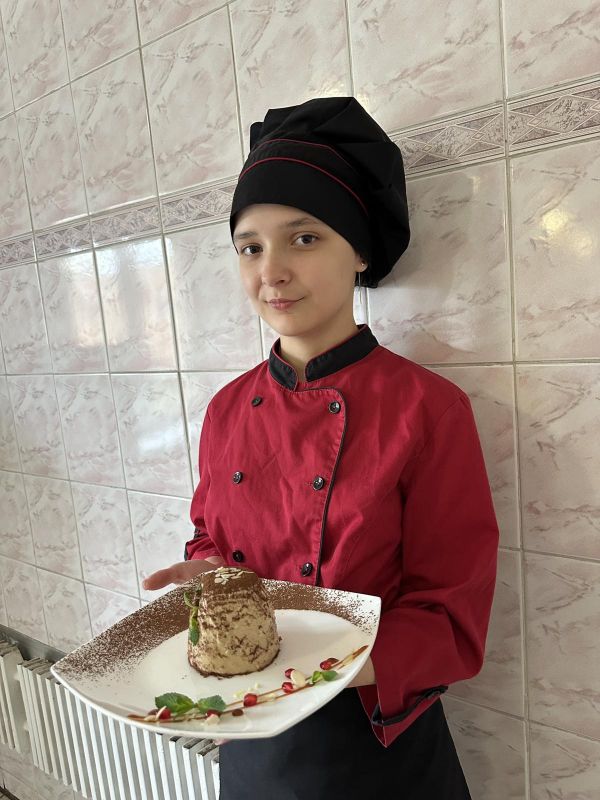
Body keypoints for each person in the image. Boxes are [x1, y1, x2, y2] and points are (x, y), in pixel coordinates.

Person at [143, 96, 500, 799]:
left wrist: (305, 664)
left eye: (303, 238)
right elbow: (212, 535)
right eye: (250, 246)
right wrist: (208, 577)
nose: (271, 270)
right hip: (252, 740)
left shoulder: (428, 409)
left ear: (359, 250)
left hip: (376, 744)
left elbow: (449, 620)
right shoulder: (225, 409)